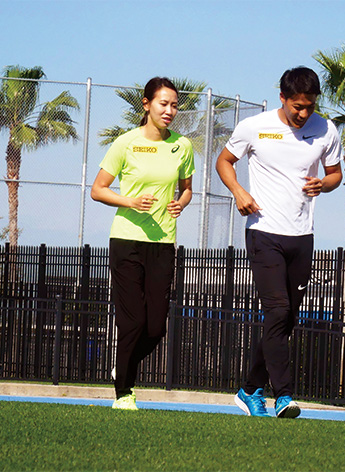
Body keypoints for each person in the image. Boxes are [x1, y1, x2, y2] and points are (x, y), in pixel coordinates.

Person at [216, 66, 343, 418]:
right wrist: (239, 191)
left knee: (284, 321)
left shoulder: (326, 129)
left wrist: (324, 185)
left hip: (302, 237)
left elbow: (336, 175)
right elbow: (223, 162)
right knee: (277, 311)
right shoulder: (255, 127)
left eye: (310, 106)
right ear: (283, 99)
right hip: (264, 232)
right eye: (297, 106)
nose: (304, 114)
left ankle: (248, 389)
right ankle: (284, 395)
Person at [91, 77, 194, 410]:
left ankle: (123, 364)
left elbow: (186, 188)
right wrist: (130, 201)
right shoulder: (126, 143)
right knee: (132, 321)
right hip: (126, 240)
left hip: (163, 242)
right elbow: (98, 189)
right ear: (146, 104)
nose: (169, 110)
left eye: (174, 105)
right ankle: (124, 392)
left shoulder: (183, 146)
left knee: (155, 327)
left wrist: (183, 201)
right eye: (163, 104)